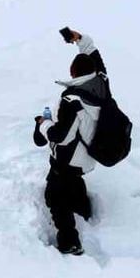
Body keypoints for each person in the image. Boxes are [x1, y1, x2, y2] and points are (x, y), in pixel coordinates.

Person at [33, 28, 108, 255]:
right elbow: (96, 58)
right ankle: (85, 211)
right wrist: (81, 40)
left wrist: (42, 124)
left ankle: (69, 242)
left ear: (72, 73)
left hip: (66, 161)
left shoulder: (71, 99)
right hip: (87, 158)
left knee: (55, 198)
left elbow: (60, 137)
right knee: (74, 185)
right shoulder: (102, 86)